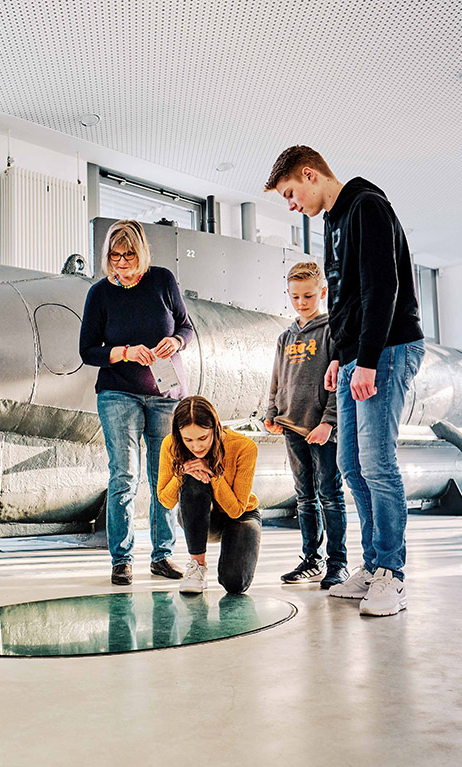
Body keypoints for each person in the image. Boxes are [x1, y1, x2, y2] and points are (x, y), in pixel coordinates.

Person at [266, 146, 424, 616]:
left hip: (389, 348)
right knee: (351, 464)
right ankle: (372, 567)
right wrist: (340, 356)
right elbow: (345, 300)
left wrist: (368, 359)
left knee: (377, 463)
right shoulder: (333, 221)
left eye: (291, 193)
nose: (292, 204)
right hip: (357, 355)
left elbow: (382, 288)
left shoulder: (366, 206)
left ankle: (392, 574)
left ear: (310, 175)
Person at [79, 219, 195, 586]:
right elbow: (87, 351)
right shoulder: (99, 293)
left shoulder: (163, 281)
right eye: (115, 256)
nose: (122, 263)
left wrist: (176, 342)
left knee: (164, 476)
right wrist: (125, 352)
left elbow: (186, 327)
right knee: (124, 476)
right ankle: (122, 559)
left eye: (129, 255)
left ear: (142, 252)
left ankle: (162, 556)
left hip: (165, 396)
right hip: (118, 393)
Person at [264, 261, 348, 589]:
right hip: (291, 427)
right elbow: (277, 378)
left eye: (308, 296)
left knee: (330, 495)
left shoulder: (332, 331)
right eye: (295, 296)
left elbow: (339, 382)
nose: (301, 302)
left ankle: (338, 563)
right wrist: (272, 412)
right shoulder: (284, 337)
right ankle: (311, 560)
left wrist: (329, 423)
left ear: (322, 293)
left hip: (322, 431)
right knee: (304, 497)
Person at [157, 395, 260, 594]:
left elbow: (236, 510)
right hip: (200, 513)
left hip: (240, 514)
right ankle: (197, 566)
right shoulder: (171, 444)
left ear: (215, 427)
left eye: (202, 438)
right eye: (188, 440)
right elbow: (166, 501)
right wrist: (183, 472)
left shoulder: (244, 446)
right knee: (192, 479)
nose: (196, 447)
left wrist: (213, 474)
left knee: (235, 584)